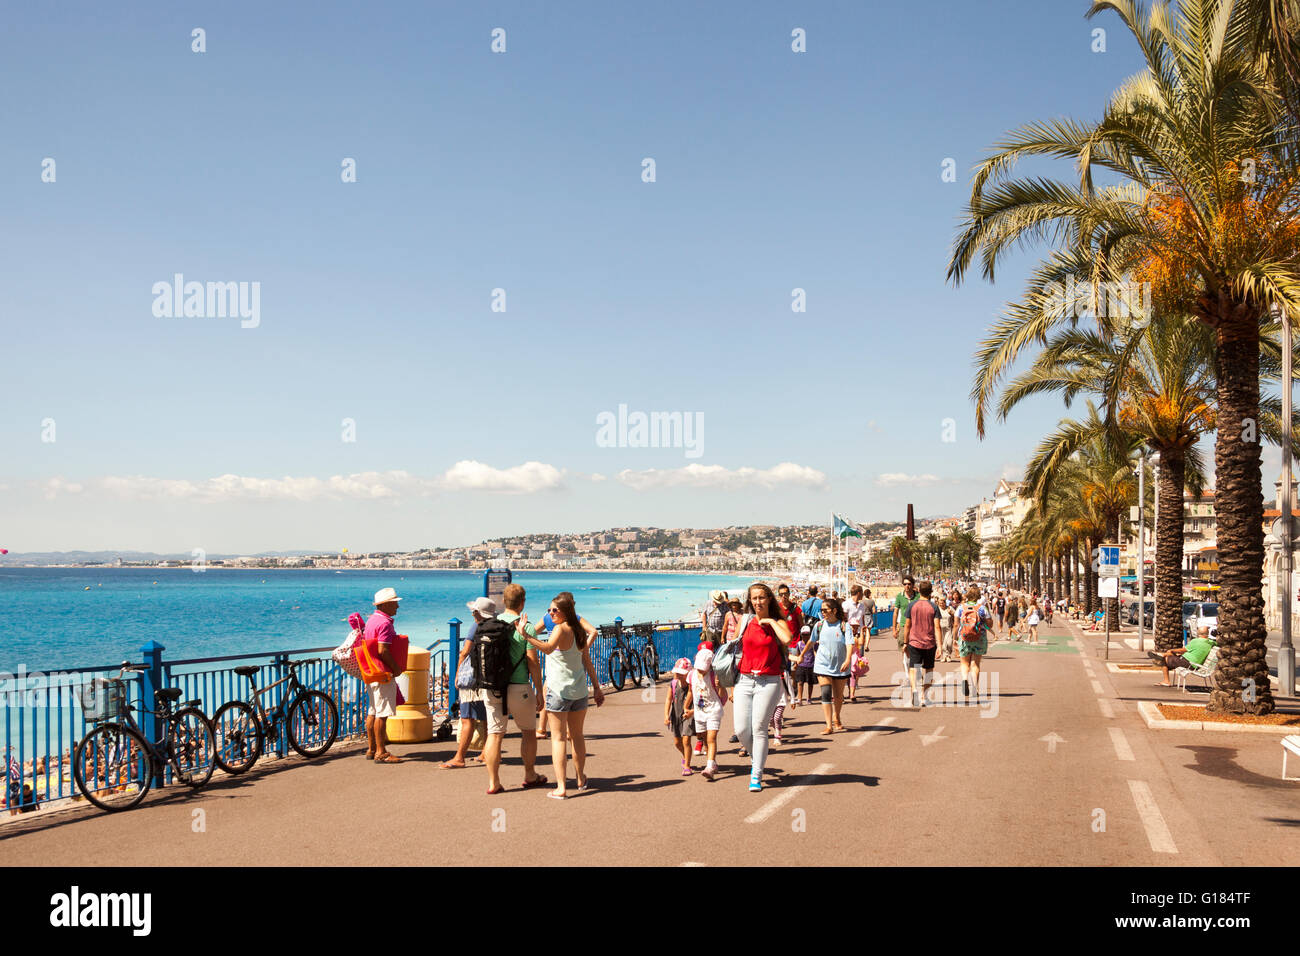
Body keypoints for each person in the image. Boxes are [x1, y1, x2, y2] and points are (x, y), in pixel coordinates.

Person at [523, 593, 605, 799]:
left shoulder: (560, 629)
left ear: (565, 611)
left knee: (558, 739)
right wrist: (596, 687)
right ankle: (580, 778)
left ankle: (561, 787)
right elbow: (587, 660)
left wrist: (526, 636)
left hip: (558, 691)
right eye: (549, 610)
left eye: (554, 610)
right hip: (579, 692)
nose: (550, 614)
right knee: (577, 736)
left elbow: (548, 649)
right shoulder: (578, 630)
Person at [484, 584, 547, 793]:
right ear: (522, 602)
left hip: (494, 688)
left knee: (494, 735)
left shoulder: (491, 624)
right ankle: (530, 774)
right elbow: (532, 662)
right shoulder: (526, 627)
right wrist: (538, 690)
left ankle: (494, 782)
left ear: (504, 601)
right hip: (519, 687)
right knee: (528, 732)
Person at [732, 583, 793, 791]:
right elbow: (733, 648)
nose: (757, 602)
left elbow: (787, 639)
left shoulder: (778, 622)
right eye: (754, 598)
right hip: (744, 679)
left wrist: (769, 621)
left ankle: (756, 774)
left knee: (758, 728)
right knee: (741, 730)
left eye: (761, 598)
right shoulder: (745, 620)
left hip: (768, 681)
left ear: (769, 599)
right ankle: (756, 758)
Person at [441, 597, 496, 769]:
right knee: (486, 718)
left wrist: (457, 674)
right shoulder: (496, 626)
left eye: (474, 611)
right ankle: (487, 753)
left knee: (467, 719)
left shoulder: (476, 626)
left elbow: (465, 652)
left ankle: (459, 757)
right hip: (488, 677)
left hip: (472, 679)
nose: (472, 613)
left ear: (478, 613)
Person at [364, 587, 406, 764]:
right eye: (394, 603)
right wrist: (395, 668)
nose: (397, 606)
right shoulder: (385, 624)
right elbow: (383, 650)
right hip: (383, 672)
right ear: (386, 605)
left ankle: (371, 748)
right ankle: (381, 752)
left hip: (371, 671)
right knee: (382, 713)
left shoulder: (372, 620)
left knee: (373, 711)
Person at [811, 597, 852, 733]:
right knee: (826, 693)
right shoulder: (819, 625)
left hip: (840, 665)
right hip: (822, 664)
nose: (822, 612)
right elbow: (811, 642)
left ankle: (837, 716)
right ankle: (829, 725)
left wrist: (847, 660)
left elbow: (849, 644)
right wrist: (801, 655)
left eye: (825, 610)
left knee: (839, 696)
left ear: (834, 610)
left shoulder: (844, 626)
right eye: (821, 610)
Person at [689, 647, 727, 780]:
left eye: (704, 667)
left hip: (713, 710)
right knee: (704, 739)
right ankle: (713, 762)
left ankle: (709, 766)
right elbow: (690, 692)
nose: (700, 669)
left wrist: (720, 685)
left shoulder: (713, 675)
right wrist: (686, 708)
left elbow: (723, 696)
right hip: (699, 712)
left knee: (711, 738)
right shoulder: (691, 675)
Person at [902, 581, 941, 707]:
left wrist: (905, 642)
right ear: (931, 591)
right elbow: (937, 627)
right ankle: (924, 696)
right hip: (929, 642)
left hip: (914, 642)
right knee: (928, 670)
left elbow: (907, 625)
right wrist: (940, 646)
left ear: (919, 590)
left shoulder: (912, 605)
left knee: (913, 667)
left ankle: (914, 690)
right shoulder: (934, 607)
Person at [956, 586, 993, 698]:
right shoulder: (982, 609)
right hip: (979, 638)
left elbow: (956, 624)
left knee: (964, 662)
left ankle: (964, 679)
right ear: (978, 597)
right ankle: (974, 688)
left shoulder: (961, 608)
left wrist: (954, 637)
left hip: (964, 638)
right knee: (975, 663)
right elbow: (990, 624)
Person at [1149, 627, 1216, 685]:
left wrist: (1173, 650)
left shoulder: (1196, 641)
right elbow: (1218, 643)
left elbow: (1183, 650)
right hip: (1191, 662)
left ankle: (1166, 681)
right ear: (1207, 633)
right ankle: (1162, 654)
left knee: (1165, 659)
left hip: (1189, 663)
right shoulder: (1210, 642)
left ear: (1198, 633)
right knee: (1173, 654)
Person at [664, 658, 695, 775]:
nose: (678, 675)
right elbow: (668, 699)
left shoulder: (692, 685)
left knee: (686, 740)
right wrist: (666, 715)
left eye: (681, 673)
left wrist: (692, 711)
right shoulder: (673, 684)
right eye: (677, 672)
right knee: (677, 742)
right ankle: (685, 756)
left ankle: (687, 765)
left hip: (688, 715)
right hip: (675, 715)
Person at [892, 577, 916, 666]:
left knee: (915, 649)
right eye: (905, 584)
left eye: (909, 584)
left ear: (913, 585)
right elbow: (895, 613)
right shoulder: (899, 596)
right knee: (904, 649)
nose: (907, 586)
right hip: (903, 626)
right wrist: (894, 629)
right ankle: (907, 674)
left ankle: (915, 670)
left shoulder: (917, 596)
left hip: (916, 626)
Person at [792, 624, 817, 704]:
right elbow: (797, 654)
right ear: (801, 635)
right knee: (800, 682)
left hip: (811, 665)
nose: (805, 636)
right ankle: (800, 699)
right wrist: (796, 663)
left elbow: (815, 653)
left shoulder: (813, 644)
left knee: (810, 683)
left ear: (810, 635)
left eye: (807, 634)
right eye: (803, 634)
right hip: (801, 665)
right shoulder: (799, 644)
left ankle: (809, 698)